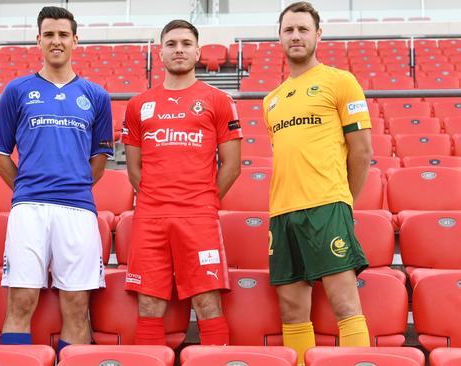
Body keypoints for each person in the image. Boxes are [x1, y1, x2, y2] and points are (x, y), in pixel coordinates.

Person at [0, 6, 113, 355]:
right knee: (21, 300)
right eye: (49, 35)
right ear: (38, 39)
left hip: (78, 211)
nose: (56, 41)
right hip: (29, 209)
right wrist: (27, 188)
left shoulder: (97, 96)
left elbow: (99, 161)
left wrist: (72, 187)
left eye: (63, 35)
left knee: (76, 305)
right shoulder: (17, 90)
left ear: (75, 39)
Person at [263, 2, 373, 364]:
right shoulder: (271, 100)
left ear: (317, 35)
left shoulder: (341, 81)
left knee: (344, 303)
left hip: (326, 206)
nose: (296, 36)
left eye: (303, 29)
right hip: (282, 212)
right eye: (289, 30)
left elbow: (361, 152)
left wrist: (343, 201)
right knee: (292, 310)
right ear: (280, 37)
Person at [122, 19, 242, 346]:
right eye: (172, 44)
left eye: (186, 43)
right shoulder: (138, 105)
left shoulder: (217, 100)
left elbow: (232, 165)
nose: (179, 49)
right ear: (159, 52)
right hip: (150, 217)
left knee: (206, 301)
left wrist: (204, 201)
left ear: (198, 51)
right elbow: (134, 169)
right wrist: (156, 200)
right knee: (149, 304)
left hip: (199, 217)